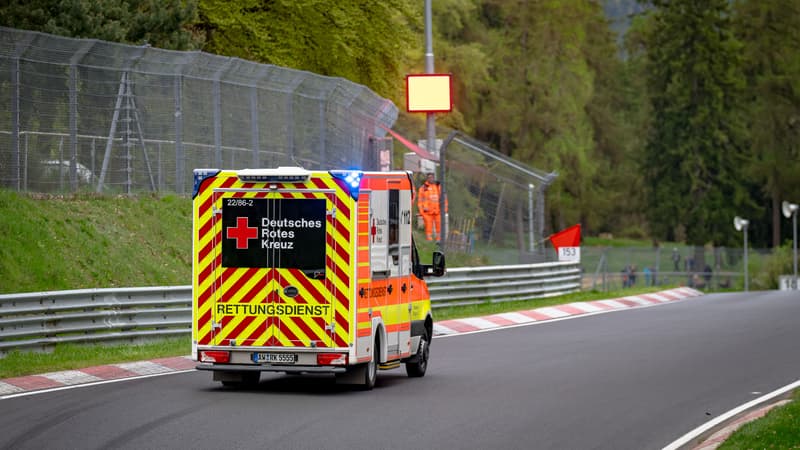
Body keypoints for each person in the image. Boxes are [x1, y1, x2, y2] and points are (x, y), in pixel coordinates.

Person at [417, 172, 447, 241]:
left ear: (434, 178)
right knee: (428, 227)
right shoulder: (423, 188)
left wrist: (444, 209)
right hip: (427, 212)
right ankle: (429, 240)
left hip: (438, 211)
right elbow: (420, 201)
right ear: (427, 178)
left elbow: (444, 199)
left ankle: (439, 240)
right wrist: (421, 212)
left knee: (439, 226)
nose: (430, 179)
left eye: (432, 177)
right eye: (429, 177)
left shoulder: (438, 187)